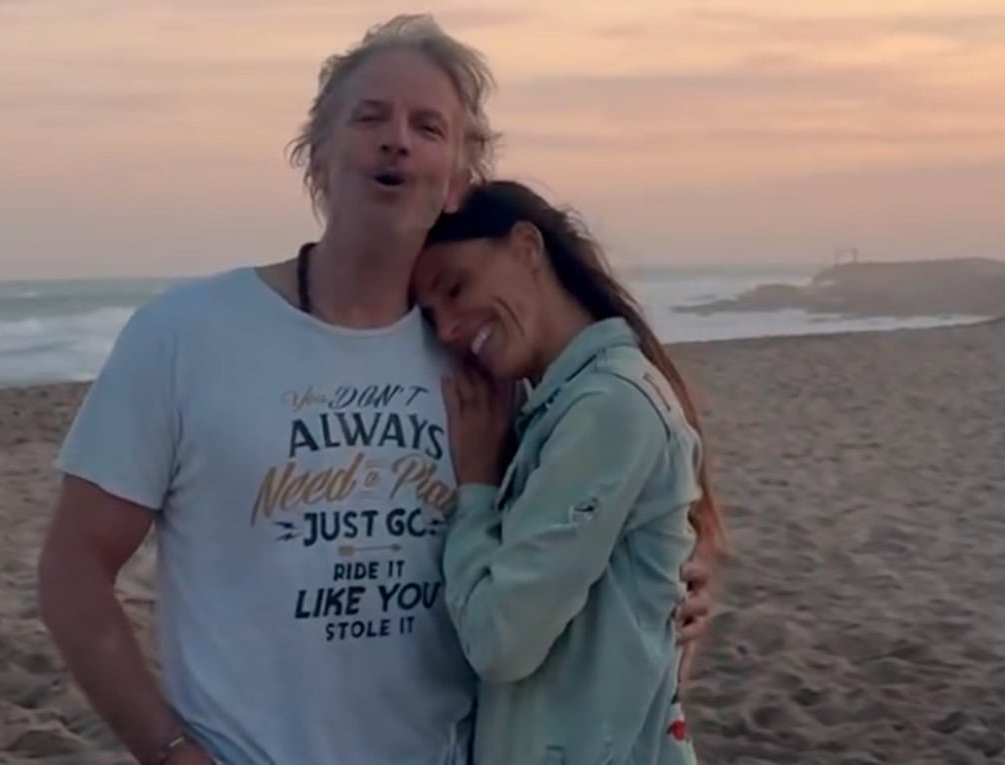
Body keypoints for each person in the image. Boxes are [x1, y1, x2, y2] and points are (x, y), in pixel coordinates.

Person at [36, 14, 718, 765]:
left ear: (459, 178)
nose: (397, 139)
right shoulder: (183, 336)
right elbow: (73, 568)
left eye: (428, 127)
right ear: (317, 156)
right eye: (370, 118)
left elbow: (578, 565)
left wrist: (674, 601)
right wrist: (167, 749)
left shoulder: (488, 366)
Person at [410, 179, 726, 765]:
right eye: (430, 318)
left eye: (456, 288)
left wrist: (476, 488)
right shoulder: (556, 408)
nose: (449, 328)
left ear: (527, 248)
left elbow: (502, 642)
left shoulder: (608, 406)